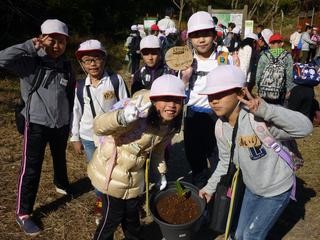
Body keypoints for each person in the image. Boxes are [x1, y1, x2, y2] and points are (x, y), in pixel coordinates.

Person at [199, 65, 313, 240]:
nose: (214, 100)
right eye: (210, 96)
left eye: (220, 94)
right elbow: (225, 161)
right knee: (238, 234)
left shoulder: (259, 119)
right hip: (251, 188)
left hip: (276, 190)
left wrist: (267, 110)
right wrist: (209, 188)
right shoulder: (220, 127)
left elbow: (305, 128)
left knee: (252, 235)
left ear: (240, 93)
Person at [0, 19, 75, 236]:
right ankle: (23, 213)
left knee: (60, 156)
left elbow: (69, 96)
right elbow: (2, 59)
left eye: (61, 41)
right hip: (36, 125)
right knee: (31, 168)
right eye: (51, 40)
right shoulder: (29, 61)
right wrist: (29, 46)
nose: (56, 46)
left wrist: (69, 123)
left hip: (60, 124)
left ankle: (61, 183)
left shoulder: (66, 65)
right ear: (42, 38)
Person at [87, 74, 186, 240]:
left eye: (177, 100)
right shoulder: (137, 110)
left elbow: (158, 151)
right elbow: (99, 127)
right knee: (112, 217)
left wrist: (160, 173)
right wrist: (122, 118)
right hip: (111, 173)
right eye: (165, 99)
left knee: (132, 216)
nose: (171, 105)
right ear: (154, 100)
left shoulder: (168, 124)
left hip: (134, 175)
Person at [70, 39, 129, 224]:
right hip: (89, 137)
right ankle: (101, 203)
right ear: (82, 64)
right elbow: (76, 111)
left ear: (104, 59)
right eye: (87, 60)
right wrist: (75, 137)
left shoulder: (114, 80)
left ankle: (119, 203)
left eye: (96, 59)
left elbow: (125, 105)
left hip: (112, 136)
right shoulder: (80, 86)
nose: (92, 64)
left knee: (116, 169)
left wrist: (125, 129)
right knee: (97, 172)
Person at [181, 11, 233, 188]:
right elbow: (178, 91)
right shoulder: (184, 59)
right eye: (196, 35)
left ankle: (218, 191)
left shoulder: (224, 56)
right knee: (195, 156)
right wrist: (185, 79)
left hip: (219, 116)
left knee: (219, 155)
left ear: (213, 35)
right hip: (193, 115)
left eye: (205, 34)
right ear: (190, 38)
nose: (201, 40)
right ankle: (200, 189)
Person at [256, 33, 295, 105]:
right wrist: (289, 90)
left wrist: (257, 88)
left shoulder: (264, 55)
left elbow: (259, 74)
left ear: (270, 44)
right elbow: (289, 75)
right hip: (280, 92)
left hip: (264, 91)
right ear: (282, 43)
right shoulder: (287, 56)